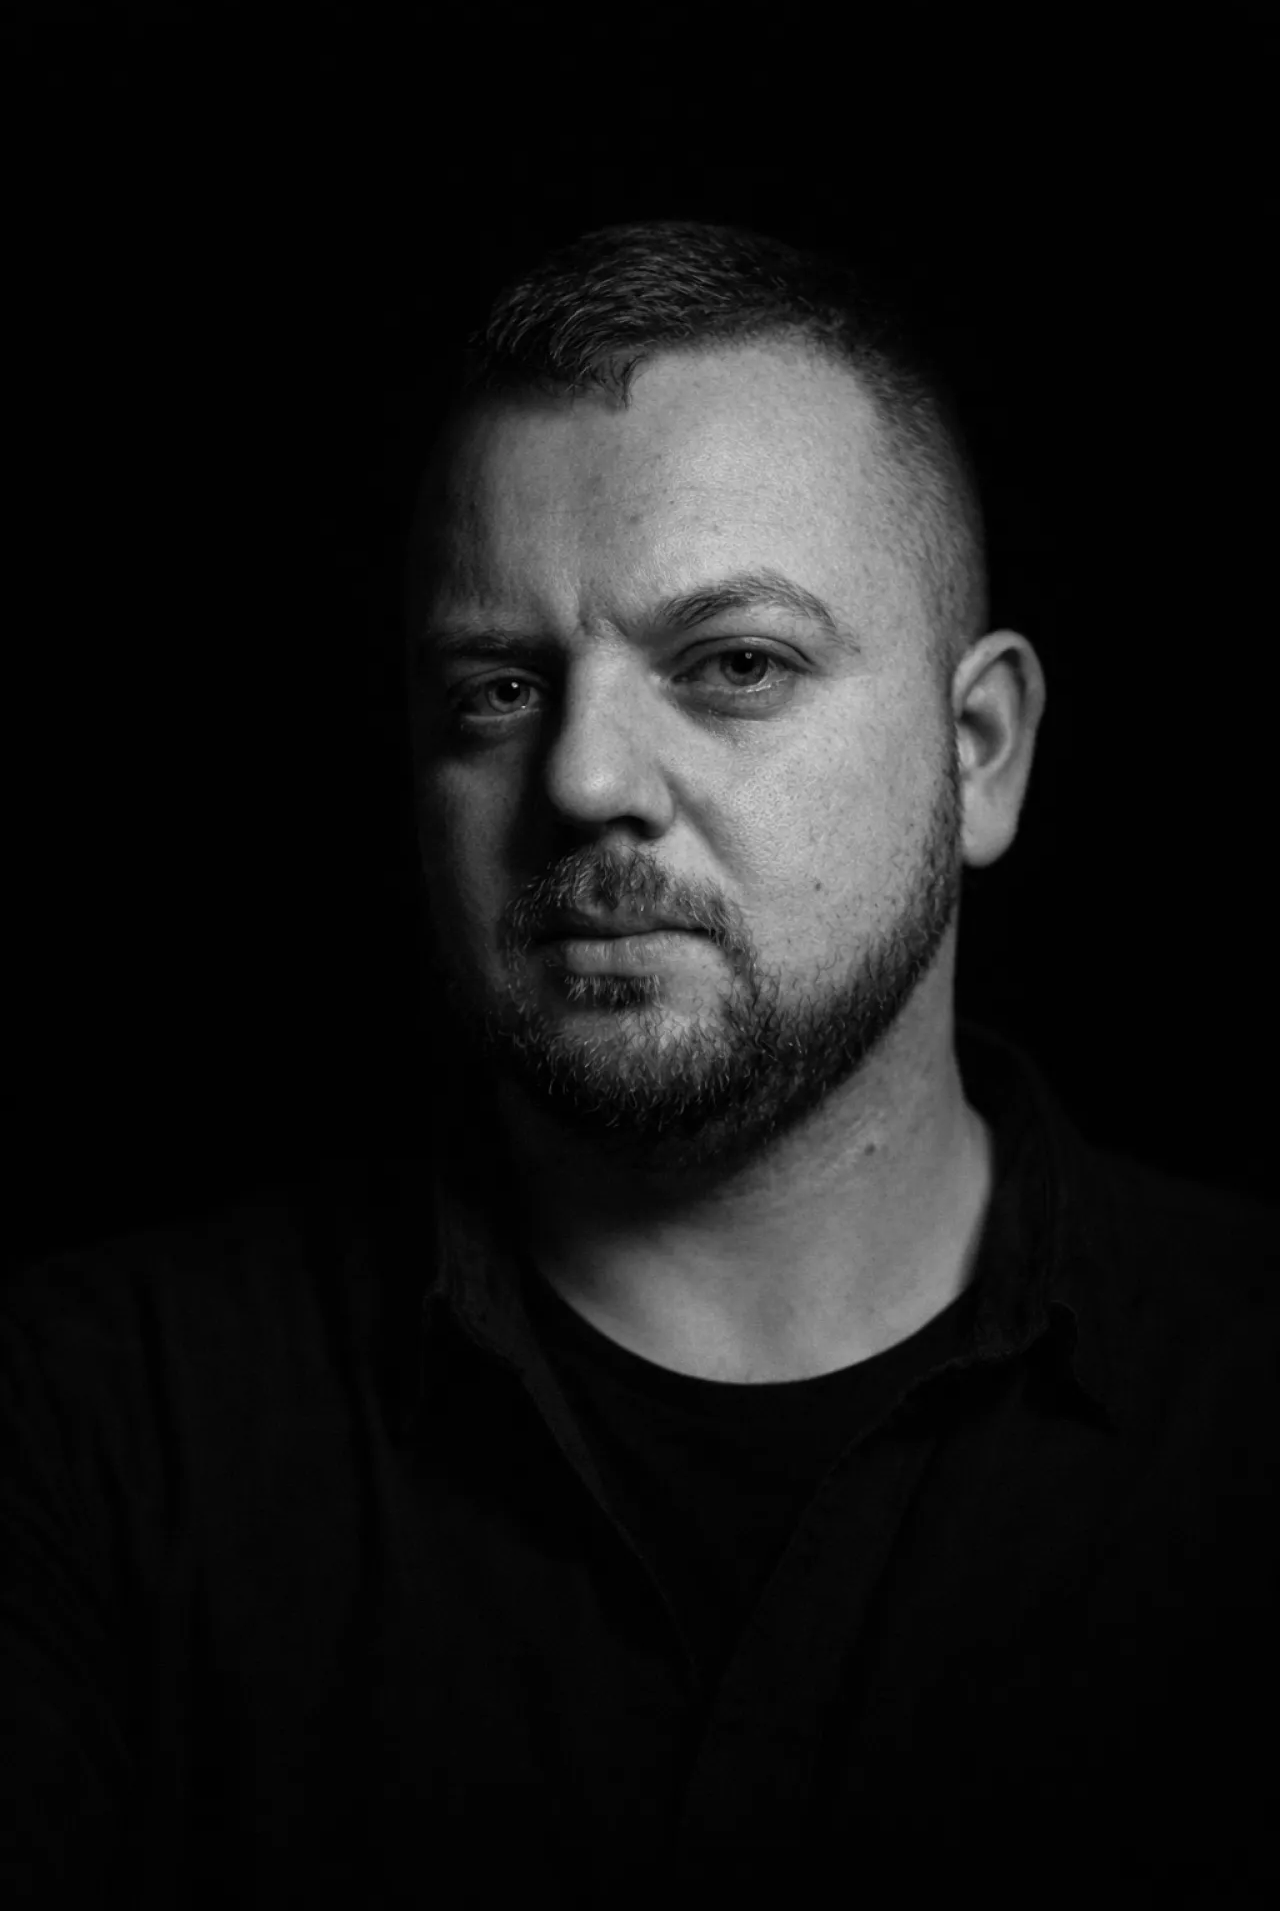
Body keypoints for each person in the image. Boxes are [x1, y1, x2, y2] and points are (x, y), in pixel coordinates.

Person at [3, 219, 1278, 1911]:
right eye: (498, 689)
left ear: (978, 752)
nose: (586, 778)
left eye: (735, 665)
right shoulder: (95, 1423)